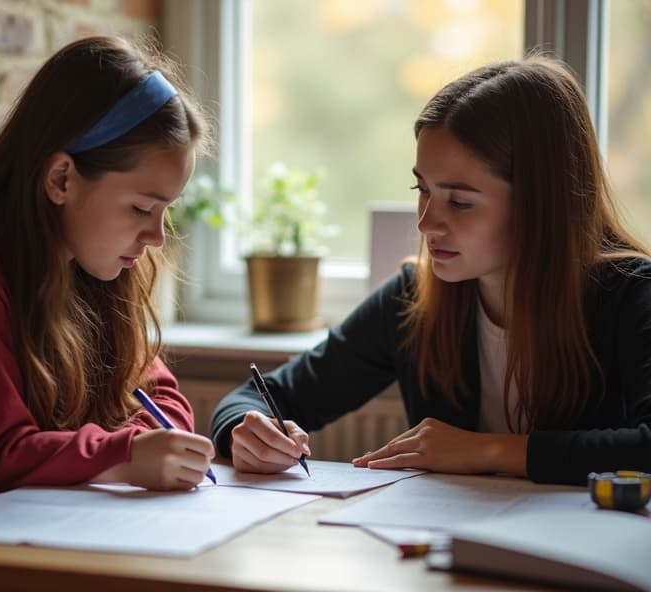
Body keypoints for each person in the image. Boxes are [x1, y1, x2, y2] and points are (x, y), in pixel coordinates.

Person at [210, 55, 651, 486]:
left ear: (542, 205)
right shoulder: (415, 298)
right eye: (422, 190)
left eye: (459, 202)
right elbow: (264, 396)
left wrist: (483, 450)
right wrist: (244, 432)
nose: (425, 225)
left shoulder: (631, 295)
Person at [0, 35, 217, 516]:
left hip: (52, 535)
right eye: (143, 208)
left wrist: (156, 444)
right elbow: (3, 455)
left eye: (167, 210)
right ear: (62, 179)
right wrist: (128, 453)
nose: (157, 236)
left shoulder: (99, 270)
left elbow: (163, 400)